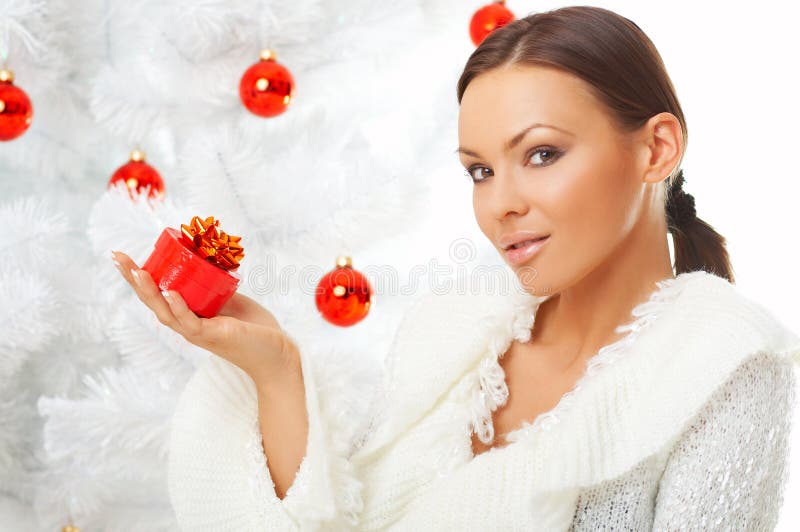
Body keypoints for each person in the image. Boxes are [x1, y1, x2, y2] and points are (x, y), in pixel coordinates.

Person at [112, 5, 800, 531]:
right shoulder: (453, 332)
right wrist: (274, 368)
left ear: (656, 149)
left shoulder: (723, 366)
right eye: (480, 171)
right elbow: (344, 520)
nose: (501, 204)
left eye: (540, 154)